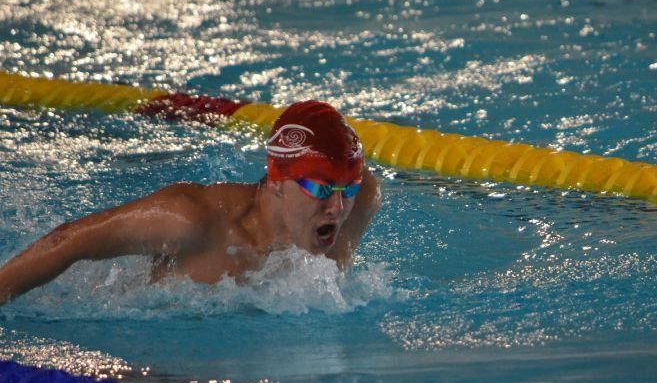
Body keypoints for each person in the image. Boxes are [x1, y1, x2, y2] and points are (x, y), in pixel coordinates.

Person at [0, 100, 381, 305]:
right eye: (320, 189)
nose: (337, 207)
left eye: (347, 188)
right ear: (277, 180)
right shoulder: (189, 219)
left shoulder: (360, 200)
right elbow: (68, 241)